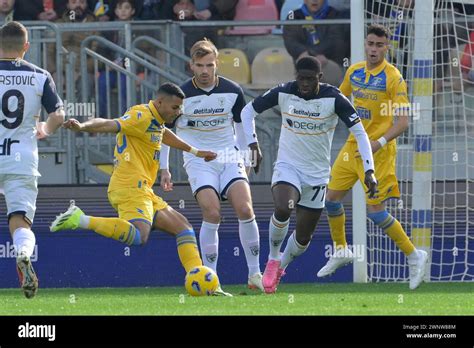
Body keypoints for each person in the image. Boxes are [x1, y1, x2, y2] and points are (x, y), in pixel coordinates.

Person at [241, 56, 377, 294]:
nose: (304, 84)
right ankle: (272, 260)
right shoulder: (284, 92)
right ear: (296, 77)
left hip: (316, 175)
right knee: (283, 207)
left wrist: (369, 170)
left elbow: (361, 134)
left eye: (310, 79)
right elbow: (246, 112)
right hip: (288, 167)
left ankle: (280, 267)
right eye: (301, 78)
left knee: (303, 239)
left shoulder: (334, 98)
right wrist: (253, 145)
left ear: (319, 78)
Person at [50, 83, 216, 279]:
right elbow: (110, 123)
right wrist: (82, 126)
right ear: (160, 102)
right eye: (175, 108)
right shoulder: (141, 115)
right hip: (129, 187)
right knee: (139, 236)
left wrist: (196, 152)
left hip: (143, 189)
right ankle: (80, 219)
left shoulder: (156, 120)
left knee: (183, 227)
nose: (178, 112)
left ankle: (198, 278)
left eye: (180, 108)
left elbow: (164, 135)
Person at [317, 24, 429, 290]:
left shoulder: (394, 78)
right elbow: (339, 100)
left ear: (386, 47)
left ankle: (415, 255)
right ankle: (342, 249)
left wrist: (378, 142)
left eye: (379, 45)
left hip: (379, 151)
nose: (373, 49)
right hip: (353, 146)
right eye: (370, 44)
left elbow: (403, 122)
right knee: (331, 198)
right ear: (365, 44)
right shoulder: (354, 71)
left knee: (376, 212)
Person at [160, 39, 264, 296]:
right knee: (212, 212)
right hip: (198, 160)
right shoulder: (181, 96)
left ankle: (254, 274)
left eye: (210, 65)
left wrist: (247, 153)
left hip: (229, 156)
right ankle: (212, 279)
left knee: (245, 207)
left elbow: (241, 125)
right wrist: (164, 168)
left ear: (217, 64)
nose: (205, 71)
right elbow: (165, 133)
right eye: (199, 65)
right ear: (191, 66)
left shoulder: (232, 90)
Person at [0, 21, 65, 298]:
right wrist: (45, 129)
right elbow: (59, 115)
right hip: (22, 158)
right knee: (19, 218)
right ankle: (24, 253)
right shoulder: (39, 76)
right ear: (26, 47)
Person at [283, 0, 347, 86]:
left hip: (329, 61)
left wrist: (310, 54)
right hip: (302, 60)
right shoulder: (294, 16)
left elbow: (335, 41)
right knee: (303, 68)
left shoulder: (335, 15)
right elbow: (290, 40)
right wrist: (304, 53)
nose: (314, 0)